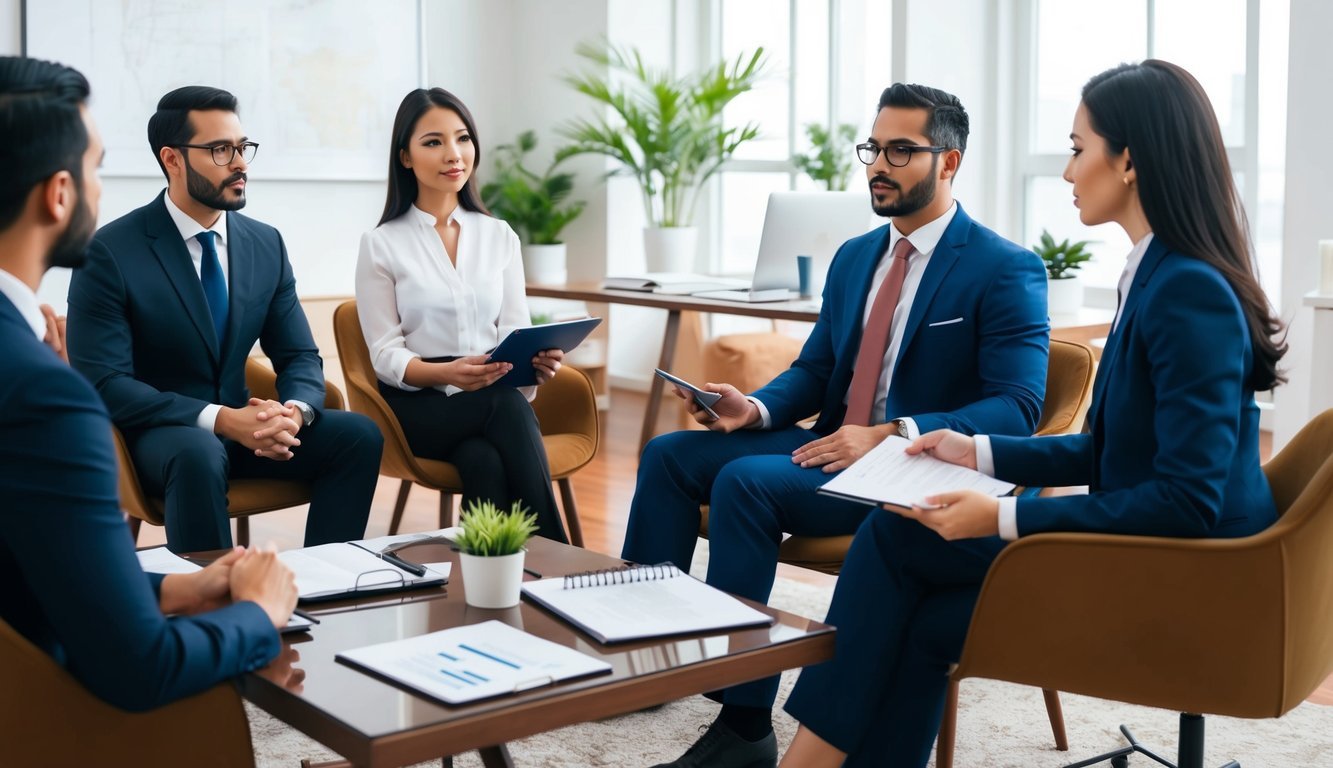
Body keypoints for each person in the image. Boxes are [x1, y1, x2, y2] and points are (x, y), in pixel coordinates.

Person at [779, 60, 1287, 768]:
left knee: (898, 556)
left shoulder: (1185, 290)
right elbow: (1110, 453)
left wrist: (1000, 517)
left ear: (1129, 161)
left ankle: (804, 763)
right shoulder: (1158, 272)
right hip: (1156, 549)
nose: (1067, 171)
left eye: (1078, 149)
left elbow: (1187, 501)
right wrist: (975, 451)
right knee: (911, 581)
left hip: (1187, 578)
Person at [631, 84, 1051, 768]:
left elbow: (1017, 408)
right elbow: (817, 367)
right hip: (835, 443)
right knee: (669, 455)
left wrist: (890, 433)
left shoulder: (1003, 268)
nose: (877, 165)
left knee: (745, 482)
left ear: (948, 163)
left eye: (900, 151)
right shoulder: (857, 255)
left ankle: (743, 724)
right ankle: (650, 658)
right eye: (873, 148)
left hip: (911, 463)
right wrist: (755, 408)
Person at [0, 55, 298, 711]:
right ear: (58, 193)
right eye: (96, 168)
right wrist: (259, 614)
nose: (100, 190)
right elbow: (141, 669)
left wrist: (171, 590)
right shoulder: (45, 396)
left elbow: (24, 567)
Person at [67, 86, 384, 554]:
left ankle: (326, 583)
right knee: (198, 452)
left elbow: (298, 354)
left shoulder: (265, 244)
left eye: (242, 147)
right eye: (220, 150)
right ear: (172, 159)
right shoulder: (109, 252)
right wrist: (220, 420)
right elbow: (106, 383)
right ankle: (213, 605)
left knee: (358, 435)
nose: (240, 163)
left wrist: (293, 412)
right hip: (158, 438)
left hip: (248, 430)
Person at [355, 87, 569, 542]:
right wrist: (445, 372)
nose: (454, 154)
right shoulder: (382, 244)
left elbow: (515, 328)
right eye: (433, 142)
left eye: (463, 138)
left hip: (490, 395)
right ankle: (558, 554)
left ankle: (485, 577)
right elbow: (385, 355)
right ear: (406, 157)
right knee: (504, 405)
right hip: (417, 407)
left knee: (483, 461)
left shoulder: (500, 236)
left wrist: (535, 363)